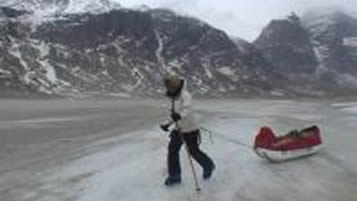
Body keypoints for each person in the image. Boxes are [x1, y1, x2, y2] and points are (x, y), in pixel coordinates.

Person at [160, 73, 215, 186]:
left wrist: (179, 116)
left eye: (171, 87)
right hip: (179, 129)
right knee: (172, 151)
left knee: (193, 151)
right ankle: (174, 176)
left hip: (191, 129)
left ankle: (208, 165)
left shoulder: (186, 95)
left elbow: (186, 110)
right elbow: (174, 114)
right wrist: (167, 124)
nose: (170, 90)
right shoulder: (173, 98)